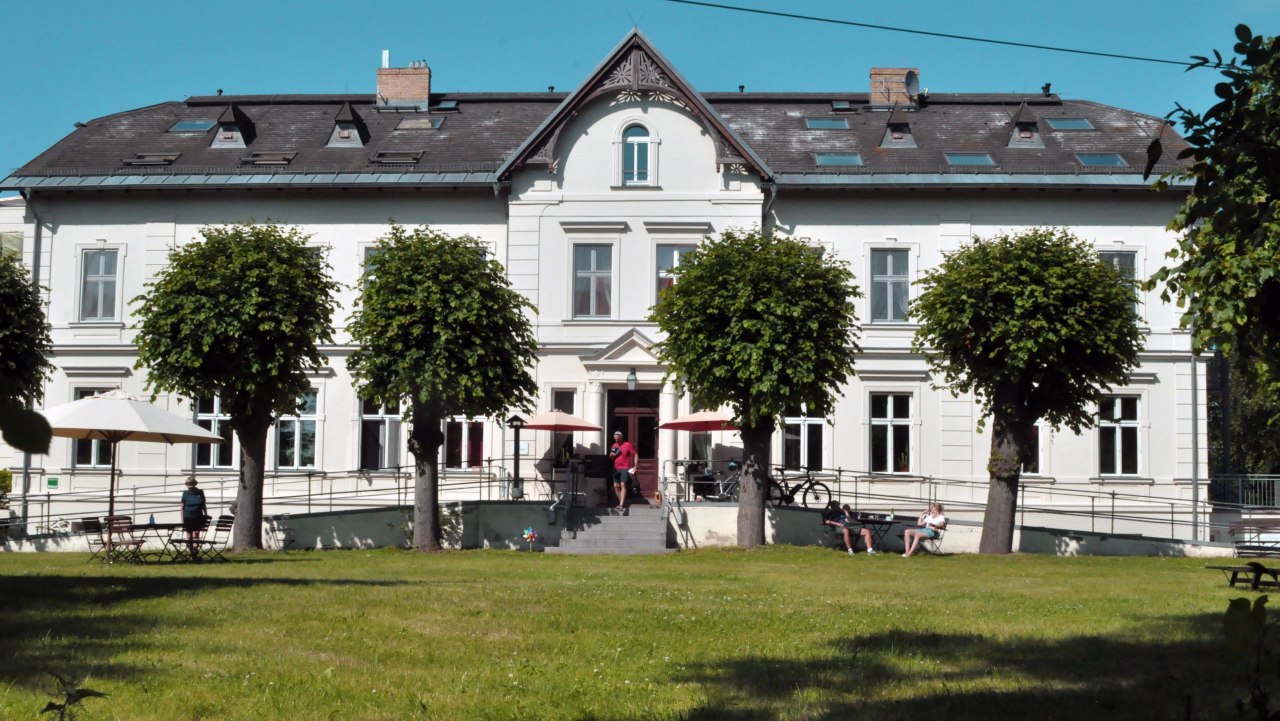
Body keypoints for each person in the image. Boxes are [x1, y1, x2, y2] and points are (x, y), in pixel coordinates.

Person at [180, 476, 208, 561]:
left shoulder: (200, 492)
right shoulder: (185, 493)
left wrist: (206, 515)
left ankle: (195, 553)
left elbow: (203, 505)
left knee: (196, 535)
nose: (189, 487)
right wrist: (182, 520)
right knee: (189, 536)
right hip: (188, 517)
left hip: (198, 517)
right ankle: (190, 553)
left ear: (194, 484)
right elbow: (182, 507)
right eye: (188, 485)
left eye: (191, 485)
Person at [608, 430, 637, 510]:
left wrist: (635, 466)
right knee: (616, 486)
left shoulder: (627, 445)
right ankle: (622, 502)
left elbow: (635, 454)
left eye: (617, 439)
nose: (616, 440)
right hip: (616, 468)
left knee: (623, 484)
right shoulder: (614, 445)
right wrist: (612, 455)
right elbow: (611, 457)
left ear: (621, 437)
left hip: (624, 468)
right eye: (615, 439)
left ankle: (621, 505)